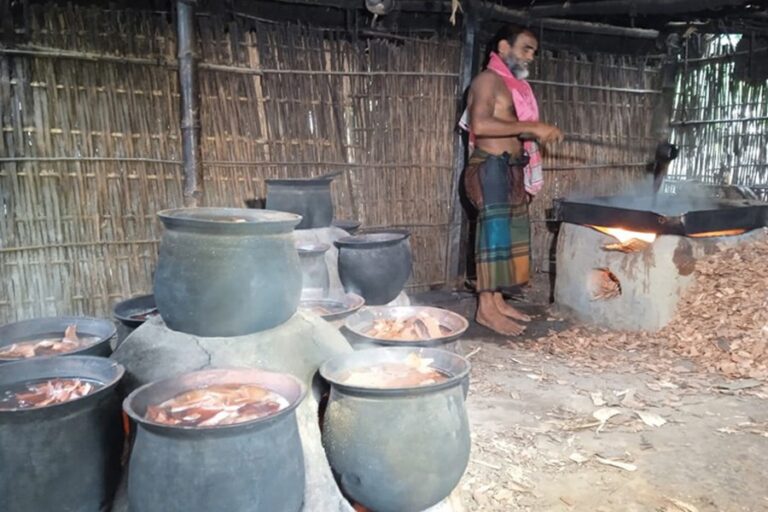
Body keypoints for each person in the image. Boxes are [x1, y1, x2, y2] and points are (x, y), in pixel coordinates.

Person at [460, 25, 564, 336]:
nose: (531, 56)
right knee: (492, 240)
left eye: (533, 51)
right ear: (504, 47)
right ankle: (485, 310)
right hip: (490, 166)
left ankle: (498, 302)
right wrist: (532, 126)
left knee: (504, 240)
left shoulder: (513, 87)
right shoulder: (487, 80)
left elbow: (509, 124)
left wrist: (534, 130)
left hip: (509, 168)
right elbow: (479, 123)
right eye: (526, 49)